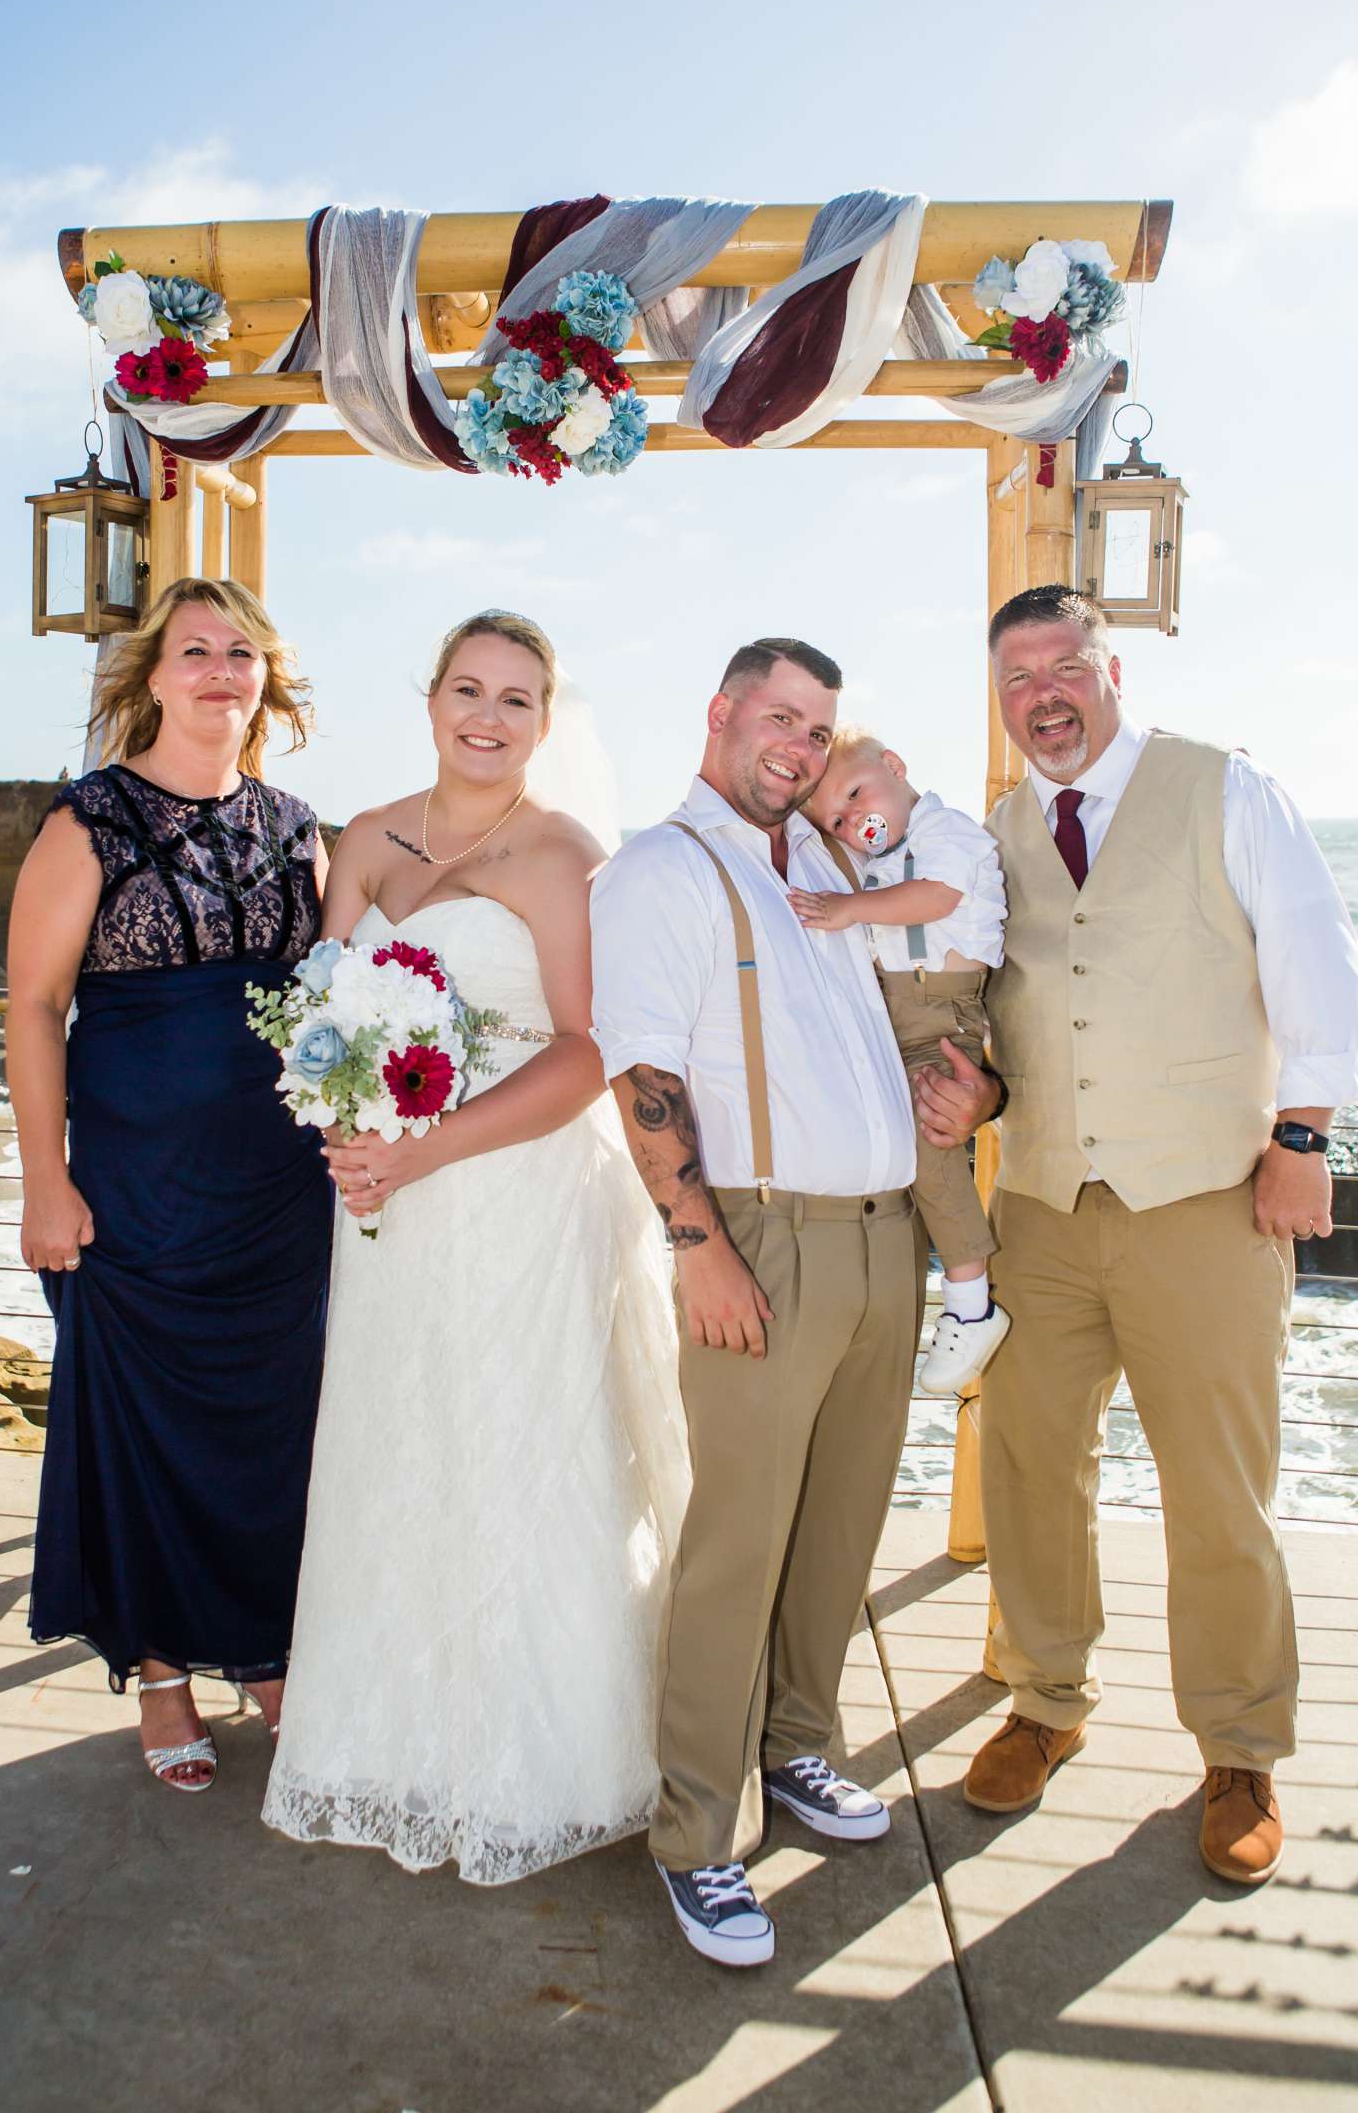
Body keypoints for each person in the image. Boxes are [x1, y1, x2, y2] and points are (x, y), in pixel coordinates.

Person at [919, 584, 1358, 1888]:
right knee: (1028, 1457)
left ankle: (1238, 1748)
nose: (1043, 694)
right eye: (1018, 677)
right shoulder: (993, 833)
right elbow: (996, 1022)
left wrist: (1300, 1141)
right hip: (1045, 1208)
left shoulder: (1226, 790)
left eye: (1065, 665)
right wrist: (979, 1095)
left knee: (1217, 1486)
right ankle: (1046, 1701)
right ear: (1000, 697)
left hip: (1206, 1205)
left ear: (1110, 670)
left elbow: (1315, 963)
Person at [261, 610, 688, 1885]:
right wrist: (348, 1128)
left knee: (522, 1442)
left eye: (516, 699)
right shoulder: (365, 838)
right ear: (431, 696)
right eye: (467, 689)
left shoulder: (563, 853)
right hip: (384, 1192)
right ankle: (385, 1739)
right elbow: (318, 1005)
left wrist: (429, 1147)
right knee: (398, 1440)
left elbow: (579, 1050)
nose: (487, 717)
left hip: (516, 1185)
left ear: (545, 724)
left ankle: (547, 1757)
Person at [590, 639, 919, 1970]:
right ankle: (695, 1837)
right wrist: (699, 1242)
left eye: (819, 726)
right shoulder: (663, 870)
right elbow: (643, 1071)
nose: (798, 744)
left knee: (839, 1531)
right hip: (764, 1246)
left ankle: (794, 1751)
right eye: (778, 717)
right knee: (734, 1548)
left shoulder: (823, 870)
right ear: (720, 713)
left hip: (883, 1243)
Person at [9, 577, 331, 1794]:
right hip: (135, 1194)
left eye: (239, 651)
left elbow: (335, 1004)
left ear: (265, 679)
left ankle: (261, 1652)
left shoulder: (300, 826)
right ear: (151, 677)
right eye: (193, 650)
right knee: (140, 1430)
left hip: (277, 1196)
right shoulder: (86, 822)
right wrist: (48, 1180)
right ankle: (158, 1673)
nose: (217, 671)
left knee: (269, 1432)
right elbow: (35, 1009)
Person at [791, 725, 1010, 1394]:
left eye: (856, 792)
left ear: (895, 766)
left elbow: (936, 896)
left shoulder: (947, 832)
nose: (853, 818)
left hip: (940, 1017)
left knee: (931, 1139)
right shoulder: (871, 860)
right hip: (891, 1016)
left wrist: (848, 908)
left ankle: (971, 1304)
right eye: (836, 817)